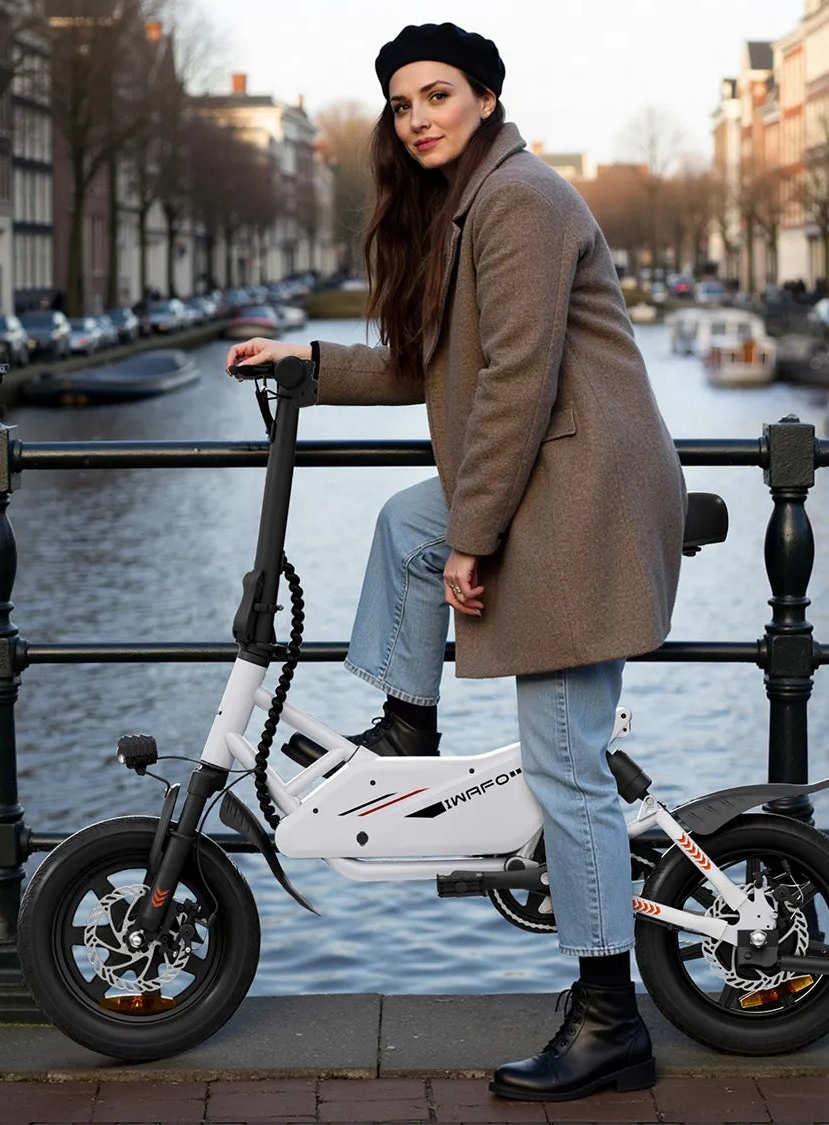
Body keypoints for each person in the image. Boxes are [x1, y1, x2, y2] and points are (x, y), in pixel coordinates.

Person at [224, 21, 683, 1104]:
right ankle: (408, 721)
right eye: (399, 102)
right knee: (403, 522)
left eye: (436, 94)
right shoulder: (470, 201)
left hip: (578, 499)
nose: (417, 116)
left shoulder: (518, 199)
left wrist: (474, 541)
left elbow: (515, 384)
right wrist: (310, 358)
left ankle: (609, 1018)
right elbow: (435, 368)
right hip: (554, 476)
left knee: (564, 766)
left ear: (484, 97)